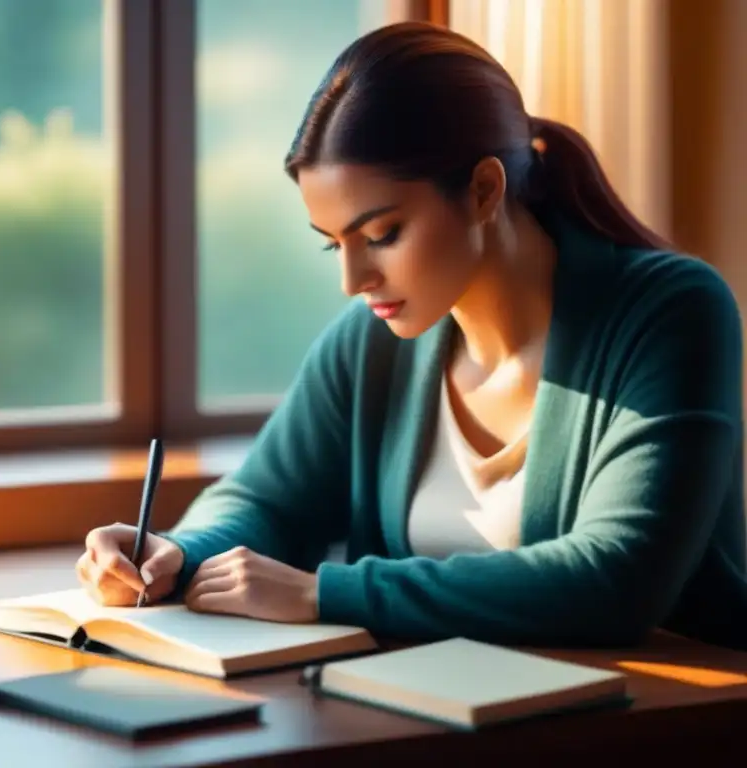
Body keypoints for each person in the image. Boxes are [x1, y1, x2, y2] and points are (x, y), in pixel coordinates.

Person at [77, 21, 747, 649]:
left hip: (659, 718)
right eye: (331, 246)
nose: (353, 279)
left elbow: (617, 578)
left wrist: (329, 594)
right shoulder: (369, 345)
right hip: (429, 715)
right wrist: (177, 552)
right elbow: (264, 499)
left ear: (485, 189)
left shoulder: (672, 312)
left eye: (381, 236)